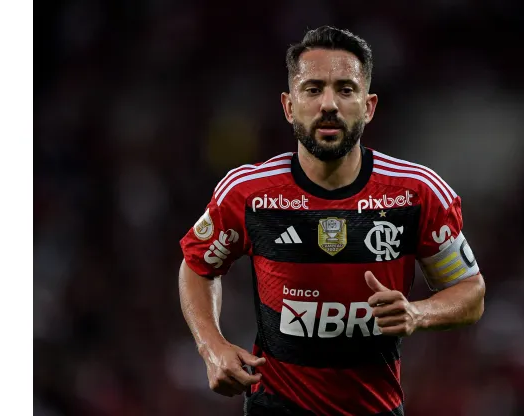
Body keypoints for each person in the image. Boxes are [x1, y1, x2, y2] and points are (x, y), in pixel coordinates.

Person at [178, 25, 486, 416]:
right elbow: (198, 266)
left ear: (368, 105)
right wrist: (212, 346)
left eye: (345, 89)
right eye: (313, 89)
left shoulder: (417, 192)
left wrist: (417, 312)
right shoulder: (247, 191)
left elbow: (470, 293)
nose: (329, 104)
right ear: (289, 106)